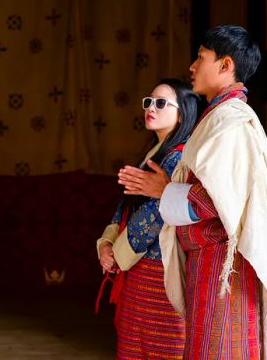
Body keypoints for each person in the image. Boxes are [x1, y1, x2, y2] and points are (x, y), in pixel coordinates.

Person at [118, 25, 267, 359]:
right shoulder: (218, 116)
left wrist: (164, 190)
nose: (192, 66)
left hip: (223, 267)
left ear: (226, 66)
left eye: (201, 57)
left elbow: (215, 200)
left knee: (219, 350)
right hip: (208, 262)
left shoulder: (230, 121)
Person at [96, 78, 199, 360]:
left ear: (183, 113)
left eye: (161, 102)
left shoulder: (179, 158)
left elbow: (154, 215)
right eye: (149, 101)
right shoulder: (155, 153)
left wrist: (117, 254)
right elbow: (126, 205)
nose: (151, 107)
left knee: (163, 348)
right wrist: (106, 244)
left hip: (160, 274)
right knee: (133, 347)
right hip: (138, 272)